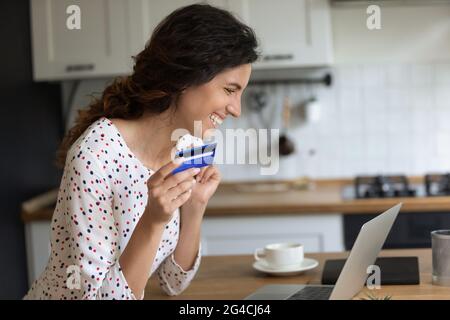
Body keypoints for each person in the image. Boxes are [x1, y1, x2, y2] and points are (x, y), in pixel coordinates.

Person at [24, 3, 258, 300]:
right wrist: (153, 220)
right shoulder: (95, 155)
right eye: (229, 90)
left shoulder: (192, 145)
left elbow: (174, 283)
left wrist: (195, 207)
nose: (236, 110)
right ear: (186, 77)